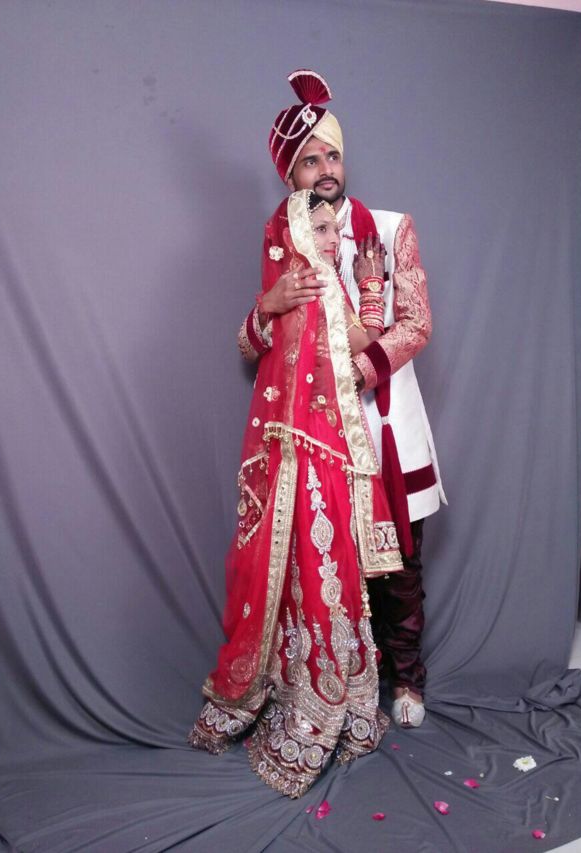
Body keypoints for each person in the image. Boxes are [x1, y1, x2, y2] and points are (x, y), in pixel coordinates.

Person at [238, 69, 447, 728]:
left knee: (400, 559)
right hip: (315, 432)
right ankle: (346, 684)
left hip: (385, 421)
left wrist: (357, 370)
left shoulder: (390, 227)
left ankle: (407, 680)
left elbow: (417, 323)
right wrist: (267, 307)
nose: (326, 169)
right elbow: (254, 346)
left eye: (332, 154)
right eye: (310, 160)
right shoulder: (286, 241)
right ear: (290, 176)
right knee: (333, 563)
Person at [189, 190, 405, 798]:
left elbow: (359, 342)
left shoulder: (330, 285)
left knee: (332, 572)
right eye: (324, 230)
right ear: (299, 233)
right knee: (298, 572)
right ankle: (301, 698)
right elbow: (250, 344)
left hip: (334, 454)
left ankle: (339, 697)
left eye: (336, 230)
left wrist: (369, 286)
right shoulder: (298, 283)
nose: (335, 240)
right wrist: (267, 305)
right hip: (297, 455)